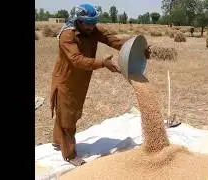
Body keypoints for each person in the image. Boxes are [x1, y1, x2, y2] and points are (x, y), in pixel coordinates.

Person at [50, 4, 151, 166]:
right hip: (66, 79)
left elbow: (113, 40)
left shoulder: (93, 30)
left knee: (72, 112)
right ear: (78, 21)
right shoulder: (67, 35)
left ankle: (58, 141)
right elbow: (76, 60)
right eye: (87, 23)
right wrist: (102, 63)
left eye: (93, 22)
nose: (91, 27)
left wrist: (137, 50)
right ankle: (69, 154)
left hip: (82, 79)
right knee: (67, 115)